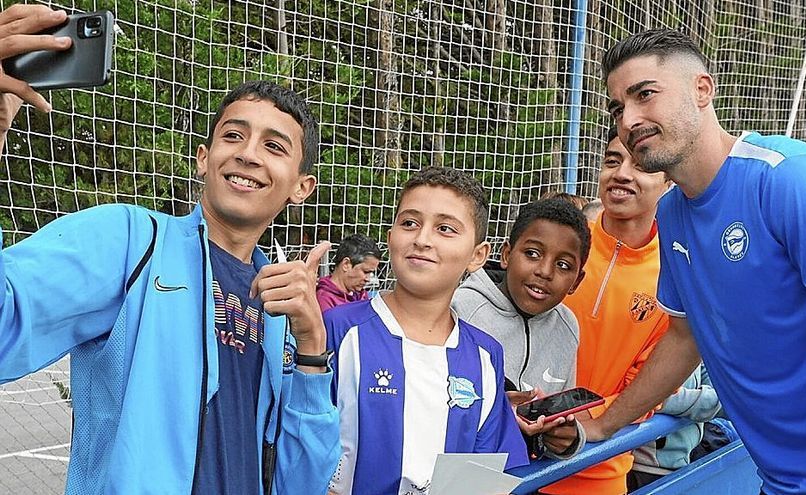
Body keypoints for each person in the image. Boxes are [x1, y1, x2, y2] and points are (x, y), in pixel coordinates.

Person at [0, 5, 340, 494]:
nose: (247, 153)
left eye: (274, 146)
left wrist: (310, 347)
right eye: (233, 135)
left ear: (301, 186)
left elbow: (302, 482)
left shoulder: (282, 304)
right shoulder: (130, 242)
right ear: (203, 159)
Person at [579, 29, 806, 495]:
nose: (629, 119)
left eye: (645, 94)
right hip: (782, 482)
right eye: (618, 107)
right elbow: (685, 337)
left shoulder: (793, 179)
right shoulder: (673, 216)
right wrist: (602, 425)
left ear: (703, 90)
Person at [324, 167, 528, 494]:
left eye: (445, 228)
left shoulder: (485, 356)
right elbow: (302, 444)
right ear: (390, 236)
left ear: (478, 255)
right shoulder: (339, 329)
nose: (422, 239)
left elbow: (486, 472)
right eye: (409, 223)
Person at [541, 125, 671, 495]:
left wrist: (590, 418)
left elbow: (652, 384)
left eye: (641, 165)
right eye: (612, 161)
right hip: (514, 454)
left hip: (596, 465)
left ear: (668, 182)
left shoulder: (673, 273)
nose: (622, 173)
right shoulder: (561, 239)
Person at [452, 198, 590, 460]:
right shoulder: (461, 309)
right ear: (506, 255)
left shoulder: (567, 326)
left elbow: (558, 416)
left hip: (525, 479)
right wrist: (502, 414)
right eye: (532, 254)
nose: (545, 271)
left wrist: (567, 439)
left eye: (563, 265)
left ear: (577, 281)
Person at [627, 364, 722, 490]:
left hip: (685, 458)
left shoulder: (695, 345)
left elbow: (720, 389)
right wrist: (713, 401)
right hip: (647, 467)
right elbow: (643, 396)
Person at [316, 234, 381, 311]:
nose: (368, 279)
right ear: (346, 264)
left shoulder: (361, 295)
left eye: (371, 273)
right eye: (366, 272)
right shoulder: (324, 300)